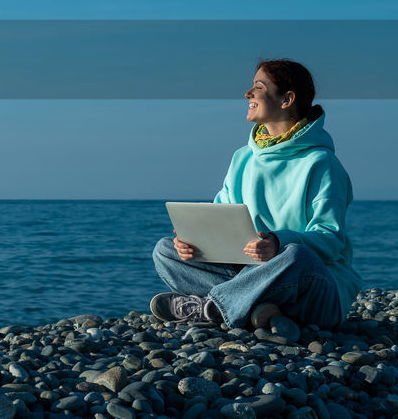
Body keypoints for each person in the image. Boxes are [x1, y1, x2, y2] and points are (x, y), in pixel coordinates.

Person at [149, 59, 360, 329]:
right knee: (165, 251)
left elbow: (330, 240)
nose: (247, 93)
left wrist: (276, 242)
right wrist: (193, 240)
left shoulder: (321, 163)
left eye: (258, 87)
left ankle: (215, 309)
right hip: (251, 275)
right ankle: (256, 309)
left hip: (314, 287)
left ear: (286, 99)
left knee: (297, 255)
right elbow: (220, 217)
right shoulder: (243, 158)